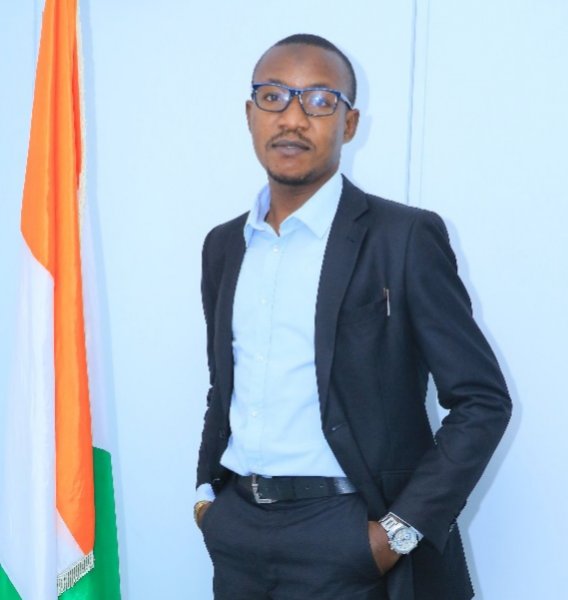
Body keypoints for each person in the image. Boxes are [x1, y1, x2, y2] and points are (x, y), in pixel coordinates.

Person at [194, 33, 511, 600]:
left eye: (320, 100)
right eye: (273, 96)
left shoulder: (404, 238)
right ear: (250, 114)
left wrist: (397, 533)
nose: (293, 118)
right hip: (238, 533)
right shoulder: (224, 247)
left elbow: (482, 400)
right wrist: (206, 498)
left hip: (350, 535)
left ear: (349, 123)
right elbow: (225, 385)